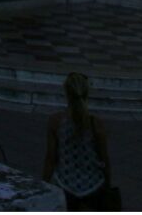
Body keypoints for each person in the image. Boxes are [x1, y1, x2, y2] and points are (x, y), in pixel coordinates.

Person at [43, 70, 114, 210]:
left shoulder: (55, 121)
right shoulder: (95, 124)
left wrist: (44, 185)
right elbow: (104, 159)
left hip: (64, 184)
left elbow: (50, 158)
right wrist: (108, 185)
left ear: (66, 93)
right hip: (93, 185)